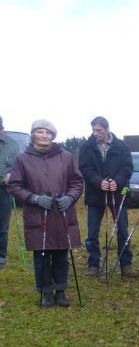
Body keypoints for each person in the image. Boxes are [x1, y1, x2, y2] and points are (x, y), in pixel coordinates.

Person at [6, 120, 83, 306]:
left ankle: (61, 290)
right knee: (41, 255)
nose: (44, 135)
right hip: (37, 214)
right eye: (40, 132)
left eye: (48, 132)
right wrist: (34, 198)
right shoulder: (22, 159)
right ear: (33, 135)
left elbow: (77, 182)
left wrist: (70, 198)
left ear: (53, 136)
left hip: (61, 213)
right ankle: (45, 291)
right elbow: (15, 185)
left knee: (61, 254)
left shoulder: (66, 156)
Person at [77, 116, 139, 278]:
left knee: (123, 231)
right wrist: (98, 182)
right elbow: (84, 168)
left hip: (117, 195)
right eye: (93, 130)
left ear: (107, 129)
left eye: (99, 130)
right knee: (92, 233)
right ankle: (93, 264)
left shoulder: (121, 146)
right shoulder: (86, 147)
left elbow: (127, 168)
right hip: (95, 194)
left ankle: (126, 264)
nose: (96, 133)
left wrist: (117, 181)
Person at [0, 115, 20, 268]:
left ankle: (1, 257)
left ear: (2, 129)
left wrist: (11, 175)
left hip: (4, 190)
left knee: (2, 226)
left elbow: (18, 167)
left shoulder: (12, 145)